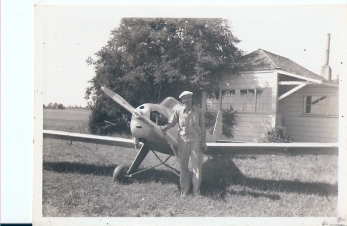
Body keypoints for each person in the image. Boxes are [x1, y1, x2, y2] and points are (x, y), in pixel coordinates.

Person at [161, 91, 207, 197]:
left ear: (191, 98)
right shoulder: (178, 111)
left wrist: (203, 140)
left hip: (196, 142)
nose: (186, 100)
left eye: (188, 98)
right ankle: (184, 190)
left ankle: (196, 191)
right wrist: (165, 127)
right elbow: (171, 123)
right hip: (183, 142)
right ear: (182, 101)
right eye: (184, 98)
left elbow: (203, 126)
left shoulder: (198, 111)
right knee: (183, 167)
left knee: (196, 168)